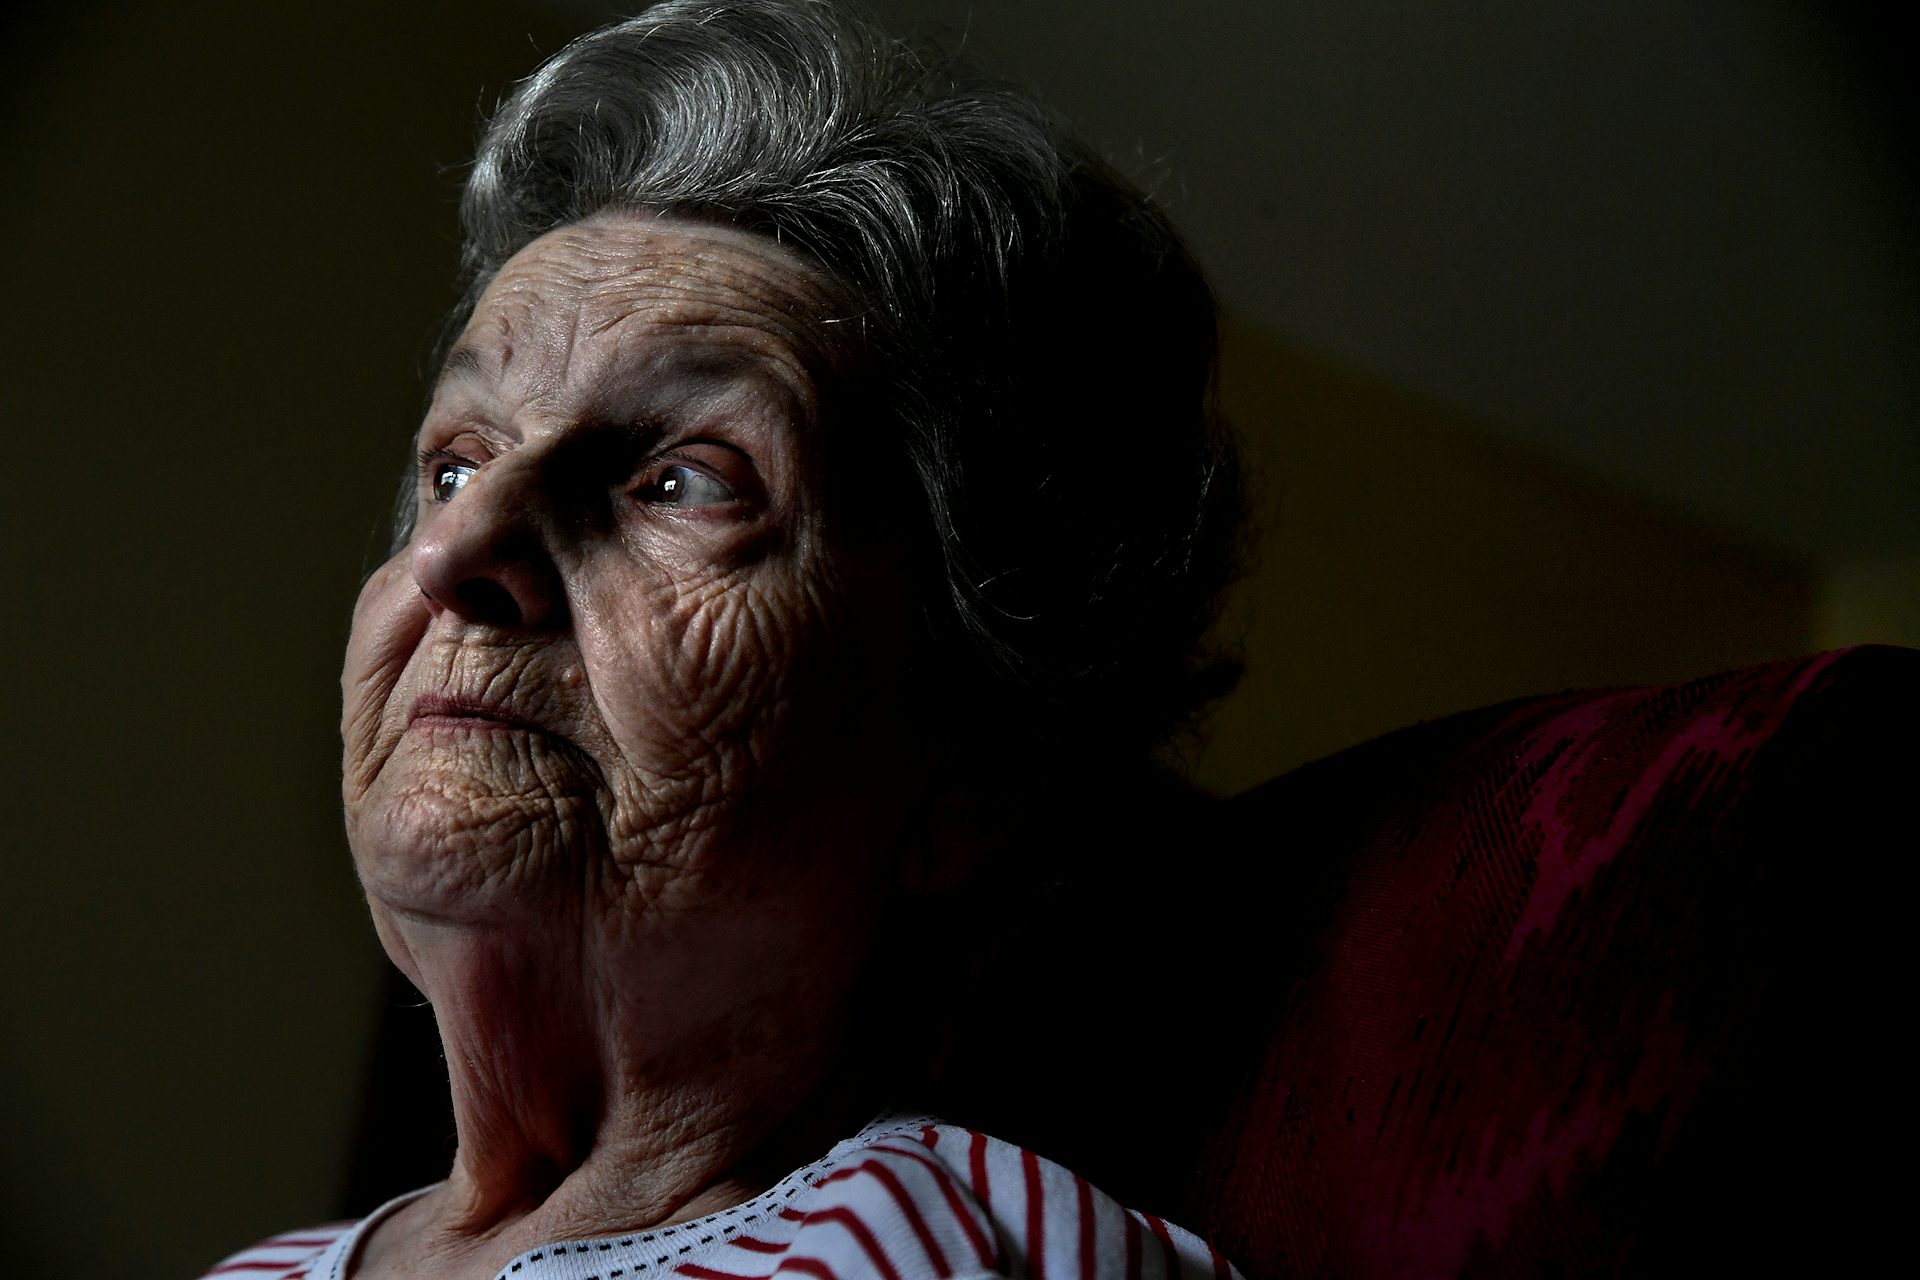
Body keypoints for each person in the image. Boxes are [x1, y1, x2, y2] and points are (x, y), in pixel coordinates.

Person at [204, 1, 1244, 1276]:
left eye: (685, 481)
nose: (455, 555)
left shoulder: (945, 1250)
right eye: (459, 465)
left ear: (973, 760)